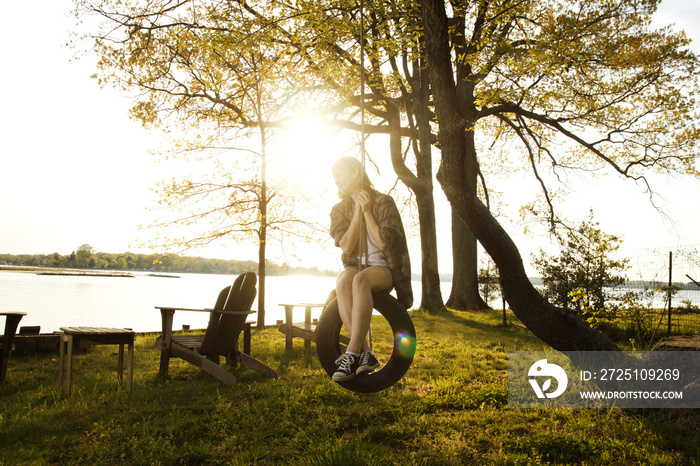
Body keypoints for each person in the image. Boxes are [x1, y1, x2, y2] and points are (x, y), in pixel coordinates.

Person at [329, 156, 412, 381]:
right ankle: (365, 353)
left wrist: (367, 211)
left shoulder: (384, 202)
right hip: (355, 267)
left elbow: (384, 242)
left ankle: (352, 352)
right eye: (333, 177)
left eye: (339, 174)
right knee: (344, 280)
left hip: (383, 269)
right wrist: (356, 211)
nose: (335, 180)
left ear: (356, 172)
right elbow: (346, 245)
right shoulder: (339, 210)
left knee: (360, 280)